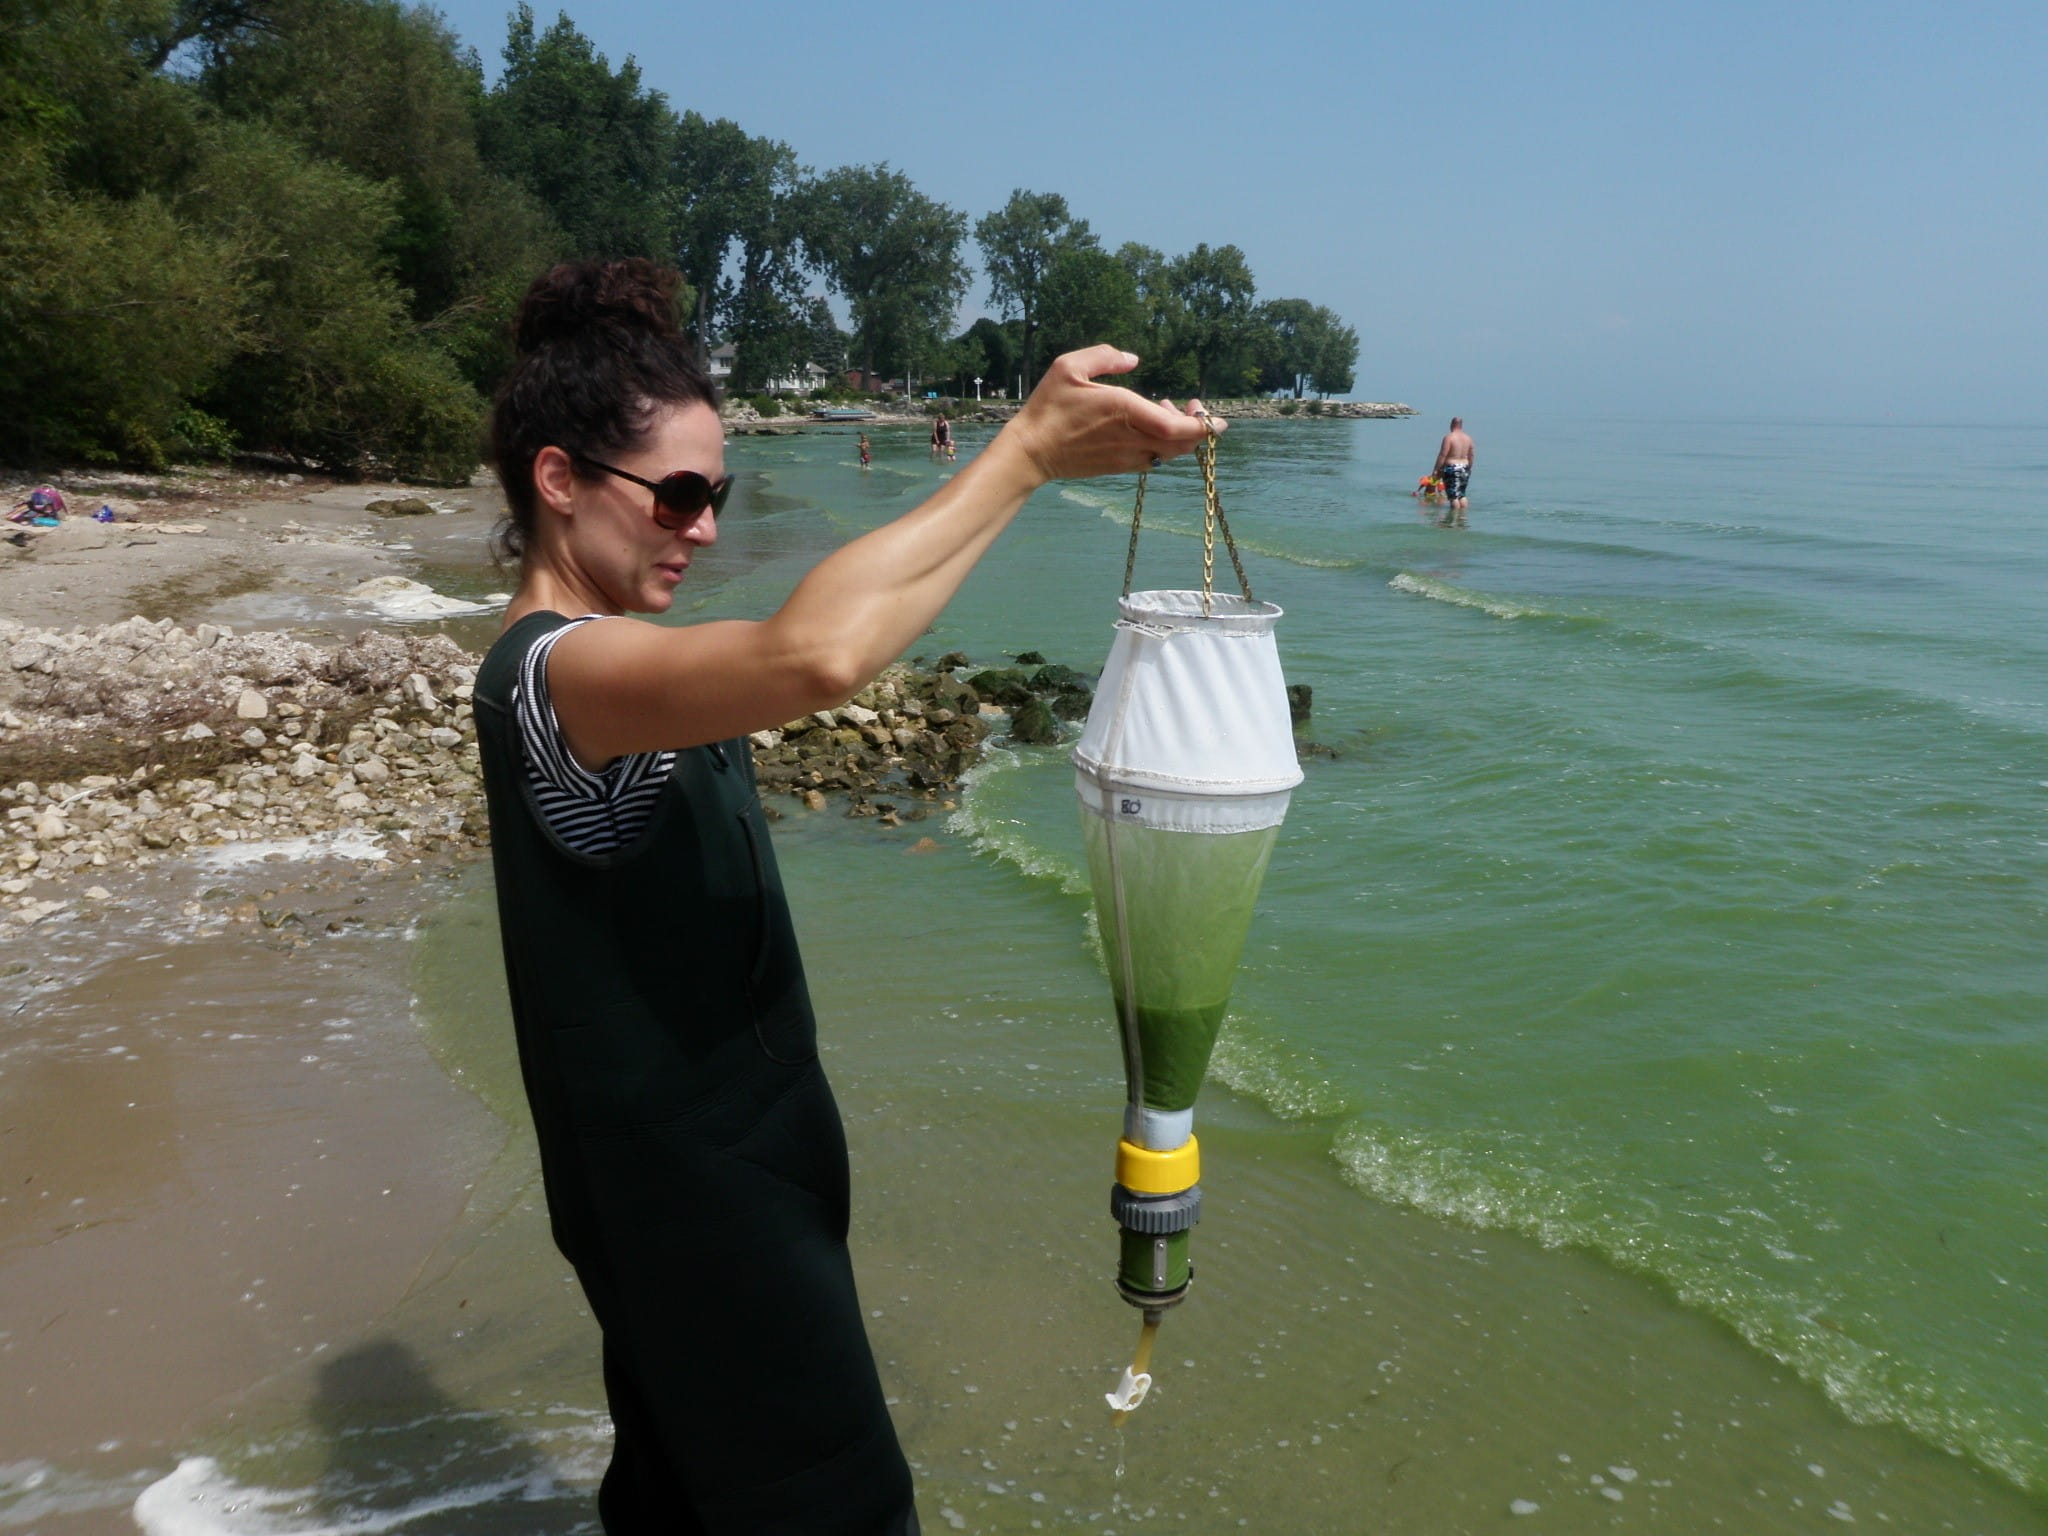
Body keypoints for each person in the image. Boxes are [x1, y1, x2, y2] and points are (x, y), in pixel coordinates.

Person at [473, 258, 1216, 1535]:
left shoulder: (622, 662)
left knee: (679, 1495)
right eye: (680, 495)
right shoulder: (555, 674)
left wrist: (1016, 493)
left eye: (719, 494)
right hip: (699, 1217)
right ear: (558, 481)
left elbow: (855, 630)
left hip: (710, 1190)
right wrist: (1022, 455)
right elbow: (816, 653)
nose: (701, 527)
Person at [1432, 417, 1474, 519]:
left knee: (1453, 497)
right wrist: (1470, 467)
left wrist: (1436, 469)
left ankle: (1453, 521)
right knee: (1462, 495)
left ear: (1451, 424)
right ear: (1461, 425)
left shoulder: (1449, 437)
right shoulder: (1468, 438)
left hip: (1452, 468)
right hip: (1465, 467)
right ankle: (1462, 519)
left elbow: (1443, 454)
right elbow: (1471, 455)